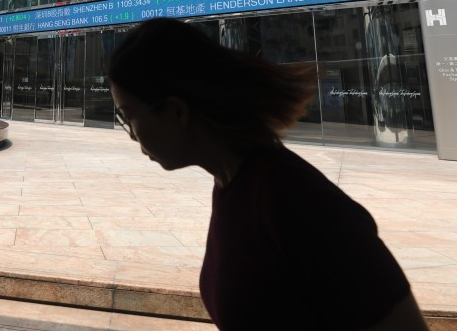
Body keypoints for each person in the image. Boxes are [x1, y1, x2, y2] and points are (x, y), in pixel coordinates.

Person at [106, 19, 428, 330]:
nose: (131, 134)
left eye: (128, 116)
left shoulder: (296, 203)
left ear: (177, 111)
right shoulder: (231, 184)